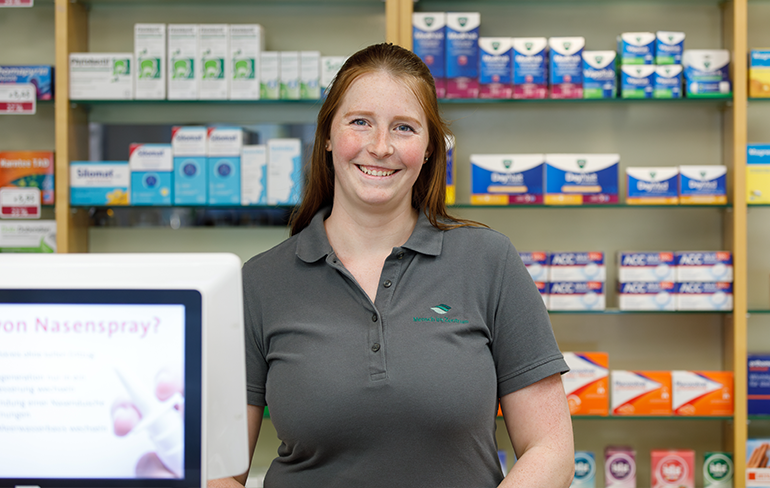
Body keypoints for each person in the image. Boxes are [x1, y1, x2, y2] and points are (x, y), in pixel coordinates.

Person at [217, 42, 574, 488]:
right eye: (360, 122)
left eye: (404, 127)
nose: (381, 146)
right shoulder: (260, 283)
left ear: (429, 149)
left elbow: (551, 450)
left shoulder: (489, 262)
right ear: (327, 135)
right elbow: (218, 473)